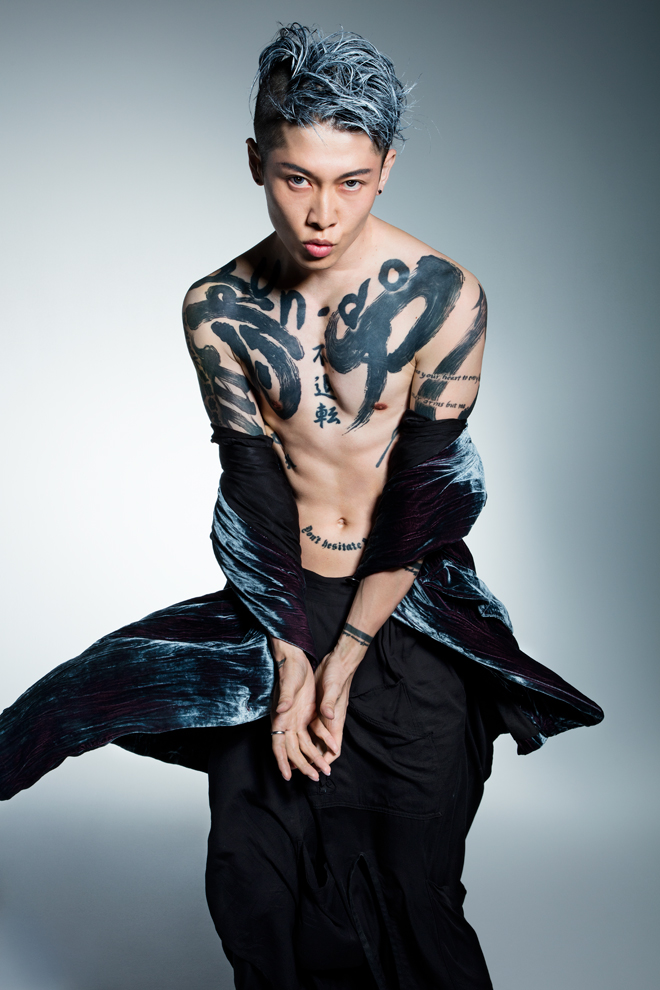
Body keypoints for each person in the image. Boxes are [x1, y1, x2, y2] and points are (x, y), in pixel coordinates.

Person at [0, 23, 603, 990]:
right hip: (279, 599)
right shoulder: (217, 308)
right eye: (296, 178)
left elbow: (427, 493)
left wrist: (345, 659)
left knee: (410, 888)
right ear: (256, 161)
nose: (322, 212)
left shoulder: (447, 297)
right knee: (255, 880)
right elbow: (250, 482)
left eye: (351, 181)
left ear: (387, 169)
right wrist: (291, 654)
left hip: (409, 609)